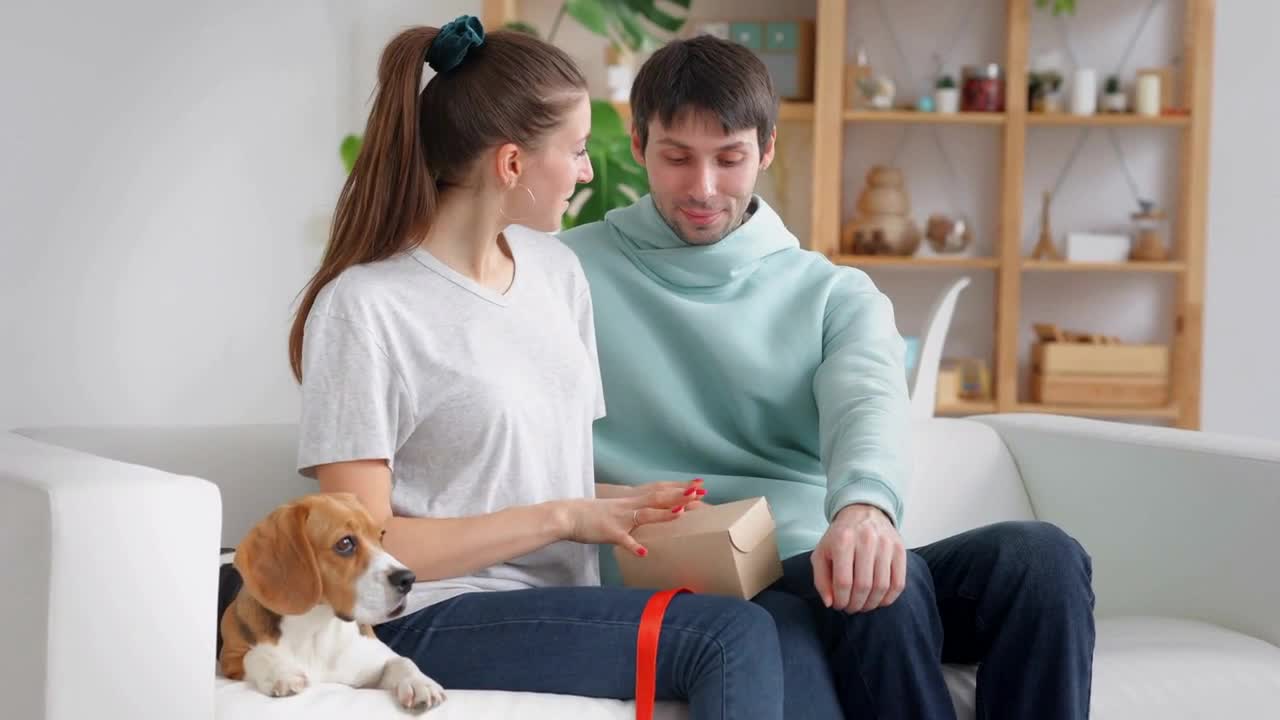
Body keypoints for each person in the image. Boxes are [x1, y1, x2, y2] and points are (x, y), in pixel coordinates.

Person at [560, 34, 1097, 720]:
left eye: (729, 159)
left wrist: (864, 509)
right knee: (877, 592)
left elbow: (866, 397)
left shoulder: (831, 291)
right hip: (680, 581)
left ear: (768, 150)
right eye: (676, 158)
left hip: (809, 558)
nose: (702, 188)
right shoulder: (565, 273)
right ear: (638, 145)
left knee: (1042, 560)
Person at [287, 17, 783, 718]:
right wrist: (562, 517)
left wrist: (629, 506)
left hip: (559, 603)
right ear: (513, 164)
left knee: (779, 629)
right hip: (425, 615)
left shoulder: (556, 272)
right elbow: (358, 546)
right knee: (729, 641)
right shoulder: (367, 308)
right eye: (577, 150)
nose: (588, 170)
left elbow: (538, 477)